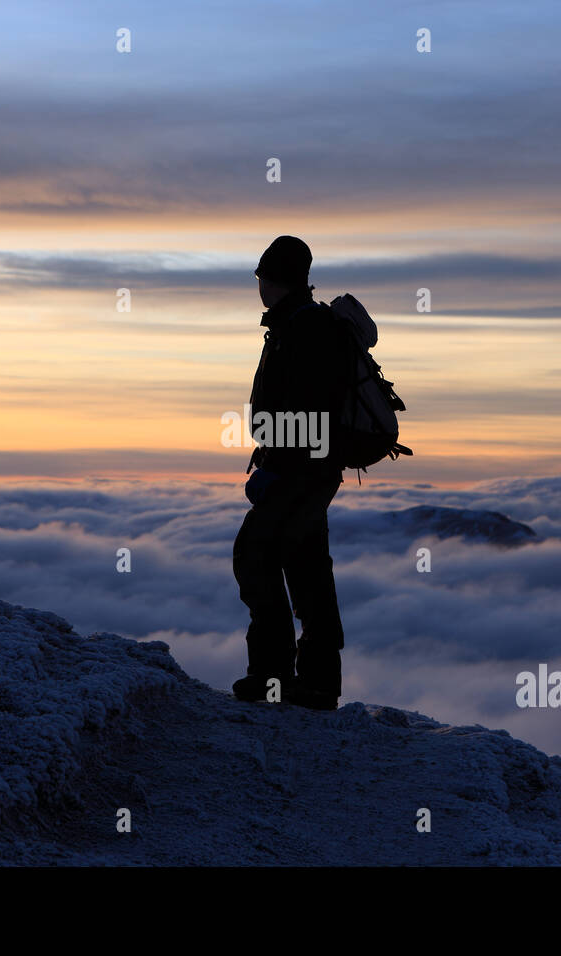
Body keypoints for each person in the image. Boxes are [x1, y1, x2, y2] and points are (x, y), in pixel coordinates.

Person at [232, 236, 346, 711]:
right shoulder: (301, 324)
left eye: (261, 278)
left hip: (300, 472)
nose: (259, 287)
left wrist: (277, 468)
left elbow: (305, 410)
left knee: (254, 557)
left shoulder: (303, 330)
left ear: (270, 279)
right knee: (306, 567)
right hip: (311, 471)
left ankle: (274, 678)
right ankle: (317, 685)